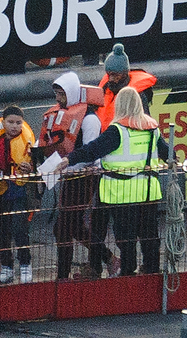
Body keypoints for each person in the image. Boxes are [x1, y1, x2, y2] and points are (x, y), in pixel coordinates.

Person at [58, 87, 169, 276]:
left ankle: (127, 270)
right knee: (149, 234)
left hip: (121, 193)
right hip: (149, 191)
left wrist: (69, 159)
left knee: (126, 237)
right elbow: (167, 153)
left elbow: (92, 149)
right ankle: (151, 269)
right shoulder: (152, 129)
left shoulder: (117, 131)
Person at [36, 71, 120, 279]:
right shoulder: (65, 115)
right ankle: (109, 258)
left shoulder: (89, 119)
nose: (58, 99)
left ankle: (64, 275)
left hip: (84, 178)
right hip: (69, 177)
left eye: (61, 94)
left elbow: (91, 152)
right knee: (69, 226)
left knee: (63, 228)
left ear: (71, 93)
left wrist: (65, 166)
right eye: (56, 94)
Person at [0, 106, 36, 284]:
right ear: (3, 122)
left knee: (20, 229)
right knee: (1, 232)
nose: (14, 126)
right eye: (11, 122)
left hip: (19, 191)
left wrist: (30, 168)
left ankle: (25, 265)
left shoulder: (29, 143)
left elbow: (38, 166)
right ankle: (6, 267)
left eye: (18, 123)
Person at [97, 43, 157, 131]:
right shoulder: (105, 88)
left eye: (115, 75)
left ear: (125, 73)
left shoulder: (137, 95)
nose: (111, 79)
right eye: (108, 74)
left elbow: (144, 123)